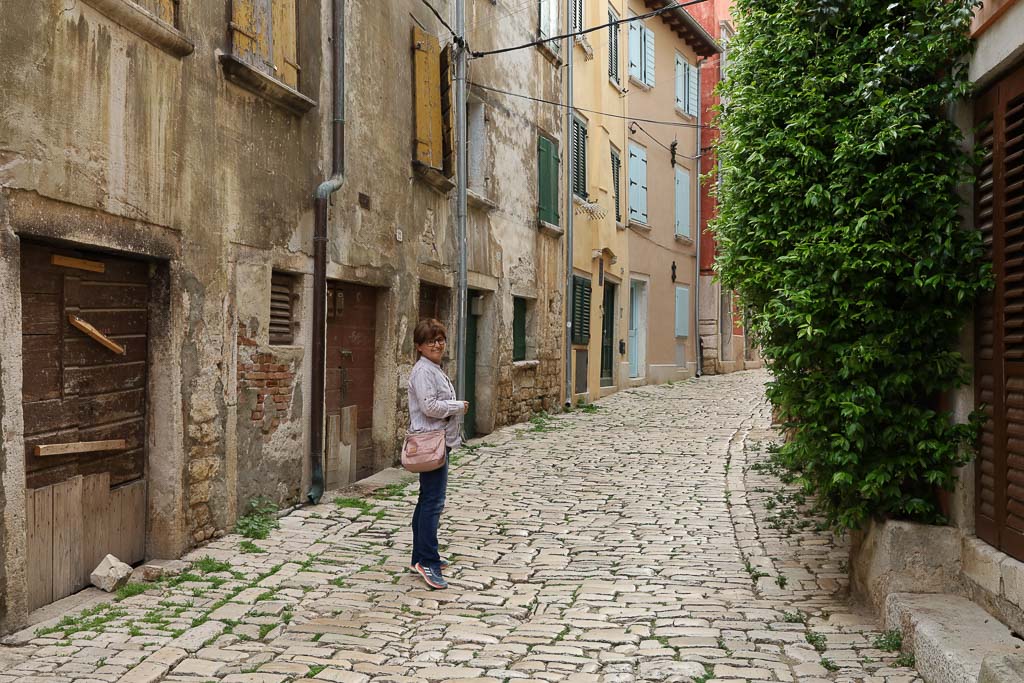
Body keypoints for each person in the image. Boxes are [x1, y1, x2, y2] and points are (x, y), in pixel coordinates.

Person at [407, 318, 469, 590]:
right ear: (419, 346)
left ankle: (419, 556)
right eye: (430, 340)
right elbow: (429, 406)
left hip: (437, 440)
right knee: (433, 502)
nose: (437, 344)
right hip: (430, 441)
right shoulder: (423, 371)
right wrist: (457, 406)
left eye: (440, 339)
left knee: (427, 499)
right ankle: (427, 561)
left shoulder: (432, 368)